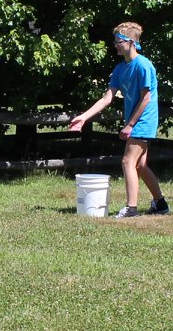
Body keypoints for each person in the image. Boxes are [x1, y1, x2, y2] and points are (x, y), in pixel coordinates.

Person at [68, 22, 167, 218]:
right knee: (140, 165)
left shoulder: (144, 65)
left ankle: (131, 208)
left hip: (143, 120)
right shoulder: (120, 68)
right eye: (115, 40)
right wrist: (84, 117)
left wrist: (130, 125)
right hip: (135, 121)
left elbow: (146, 98)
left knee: (127, 161)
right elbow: (107, 98)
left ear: (131, 42)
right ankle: (161, 204)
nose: (115, 44)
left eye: (119, 41)